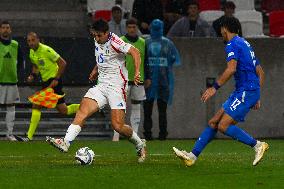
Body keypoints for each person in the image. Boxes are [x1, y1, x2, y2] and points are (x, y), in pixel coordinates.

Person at [46, 19, 147, 163]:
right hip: (101, 85)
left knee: (117, 126)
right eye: (94, 35)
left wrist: (137, 71)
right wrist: (95, 70)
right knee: (82, 110)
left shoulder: (115, 41)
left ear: (107, 33)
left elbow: (135, 52)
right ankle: (66, 142)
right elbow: (103, 58)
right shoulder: (97, 39)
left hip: (116, 87)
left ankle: (139, 143)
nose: (96, 38)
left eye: (99, 35)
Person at [173, 17, 268, 167]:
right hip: (246, 91)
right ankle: (192, 156)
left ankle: (257, 145)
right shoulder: (245, 44)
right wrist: (257, 95)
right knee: (214, 122)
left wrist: (214, 88)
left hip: (246, 91)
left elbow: (231, 69)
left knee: (223, 126)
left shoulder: (232, 44)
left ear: (225, 28)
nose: (220, 33)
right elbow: (261, 72)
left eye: (221, 30)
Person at [16, 32, 80, 141]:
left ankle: (29, 137)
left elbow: (63, 63)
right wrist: (33, 75)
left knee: (36, 104)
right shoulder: (32, 52)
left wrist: (56, 79)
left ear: (38, 40)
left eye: (33, 40)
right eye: (28, 41)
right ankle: (88, 107)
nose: (31, 43)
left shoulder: (46, 50)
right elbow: (36, 66)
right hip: (46, 82)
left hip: (54, 81)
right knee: (63, 110)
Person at [143, 19, 180, 140]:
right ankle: (159, 134)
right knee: (155, 110)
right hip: (156, 81)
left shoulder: (148, 43)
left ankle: (155, 134)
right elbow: (175, 59)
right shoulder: (167, 43)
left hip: (159, 81)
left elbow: (175, 59)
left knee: (155, 110)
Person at [112, 18, 146, 141]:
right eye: (129, 27)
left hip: (138, 80)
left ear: (137, 28)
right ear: (126, 28)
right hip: (123, 80)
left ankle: (134, 135)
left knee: (136, 106)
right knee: (119, 107)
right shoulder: (121, 41)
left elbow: (145, 61)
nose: (132, 29)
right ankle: (116, 136)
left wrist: (147, 77)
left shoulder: (142, 42)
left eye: (134, 27)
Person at [0, 21, 24, 141]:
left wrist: (15, 74)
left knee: (11, 107)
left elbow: (21, 61)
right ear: (0, 30)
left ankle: (9, 134)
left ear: (10, 30)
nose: (5, 30)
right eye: (3, 27)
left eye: (7, 28)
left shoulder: (15, 44)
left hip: (11, 81)